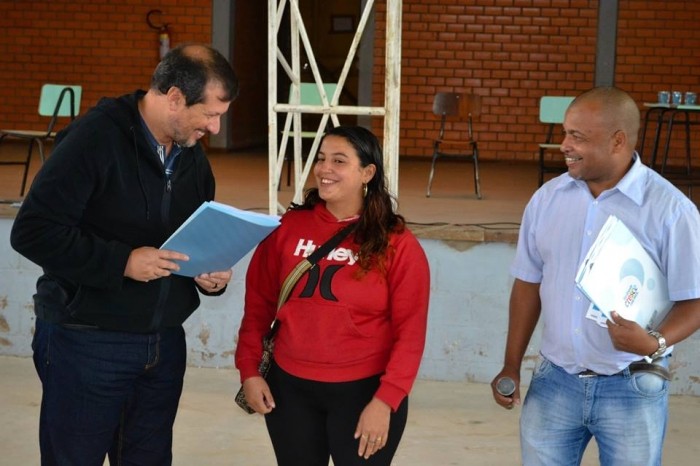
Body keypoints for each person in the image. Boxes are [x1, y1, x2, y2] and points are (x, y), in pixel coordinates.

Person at [10, 43, 239, 465]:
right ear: (173, 97)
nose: (215, 127)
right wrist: (123, 262)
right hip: (88, 341)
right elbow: (33, 232)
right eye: (209, 113)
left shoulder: (189, 154)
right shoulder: (93, 139)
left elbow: (191, 232)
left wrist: (207, 270)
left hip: (164, 344)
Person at [490, 86, 700, 465]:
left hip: (632, 382)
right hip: (555, 380)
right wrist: (511, 363)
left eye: (577, 136)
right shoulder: (547, 199)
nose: (563, 145)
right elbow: (527, 284)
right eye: (565, 132)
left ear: (618, 141)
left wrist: (654, 341)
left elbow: (695, 301)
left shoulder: (671, 211)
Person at [235, 125, 430, 465]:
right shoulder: (286, 229)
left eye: (339, 161)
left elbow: (410, 334)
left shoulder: (397, 243)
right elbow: (257, 309)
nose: (325, 169)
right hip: (290, 390)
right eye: (322, 159)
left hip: (363, 394)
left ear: (367, 172)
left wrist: (386, 401)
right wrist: (249, 372)